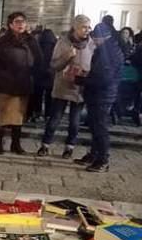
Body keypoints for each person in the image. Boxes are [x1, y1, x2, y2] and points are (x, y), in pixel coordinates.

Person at [37, 15, 95, 159]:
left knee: (75, 122)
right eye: (84, 27)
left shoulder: (91, 44)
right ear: (75, 27)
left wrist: (88, 73)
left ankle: (69, 147)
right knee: (55, 118)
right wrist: (67, 56)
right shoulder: (63, 42)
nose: (87, 30)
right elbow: (54, 65)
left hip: (79, 88)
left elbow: (94, 64)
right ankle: (45, 145)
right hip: (63, 86)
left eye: (89, 27)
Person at [0, 11, 42, 155]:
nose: (21, 25)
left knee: (19, 115)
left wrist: (32, 73)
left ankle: (16, 144)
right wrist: (3, 72)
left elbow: (39, 59)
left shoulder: (31, 41)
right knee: (3, 115)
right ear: (10, 25)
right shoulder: (2, 41)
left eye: (23, 22)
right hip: (7, 83)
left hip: (23, 82)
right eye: (17, 22)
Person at [75, 22, 124, 173]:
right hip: (98, 93)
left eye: (95, 38)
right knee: (95, 126)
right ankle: (94, 154)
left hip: (102, 95)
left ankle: (103, 159)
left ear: (102, 37)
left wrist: (81, 80)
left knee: (100, 127)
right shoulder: (105, 49)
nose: (93, 41)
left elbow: (104, 78)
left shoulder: (108, 52)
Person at [31, 28, 57, 122]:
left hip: (39, 73)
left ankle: (37, 113)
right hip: (51, 74)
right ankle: (48, 114)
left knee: (38, 95)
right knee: (49, 96)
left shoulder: (39, 45)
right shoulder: (55, 46)